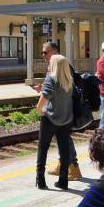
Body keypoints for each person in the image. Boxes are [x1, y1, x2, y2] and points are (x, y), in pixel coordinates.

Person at [37, 41, 82, 182]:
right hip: (66, 115)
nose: (44, 55)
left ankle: (72, 166)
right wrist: (43, 89)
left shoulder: (58, 68)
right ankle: (63, 174)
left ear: (54, 52)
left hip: (54, 115)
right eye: (42, 52)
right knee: (63, 144)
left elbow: (48, 96)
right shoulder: (62, 70)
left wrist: (41, 110)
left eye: (46, 52)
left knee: (47, 146)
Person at [35, 54, 75, 191]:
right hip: (66, 119)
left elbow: (41, 105)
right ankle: (63, 180)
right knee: (64, 149)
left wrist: (41, 112)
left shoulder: (50, 79)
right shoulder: (69, 80)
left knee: (43, 148)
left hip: (50, 119)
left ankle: (40, 179)